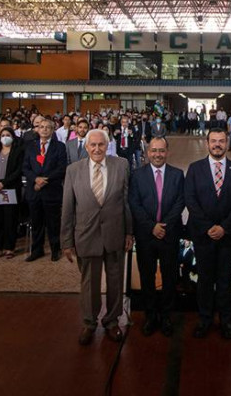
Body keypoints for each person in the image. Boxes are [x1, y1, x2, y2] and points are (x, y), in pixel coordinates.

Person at [61, 129, 133, 345]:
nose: (97, 149)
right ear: (86, 147)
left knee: (115, 281)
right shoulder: (73, 170)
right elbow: (67, 208)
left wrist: (129, 231)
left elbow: (126, 201)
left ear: (107, 145)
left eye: (101, 144)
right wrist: (66, 241)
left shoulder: (121, 165)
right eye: (92, 145)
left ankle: (112, 322)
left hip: (115, 234)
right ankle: (89, 322)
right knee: (89, 284)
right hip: (86, 235)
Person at [184, 128, 231, 340]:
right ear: (207, 143)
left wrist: (224, 227)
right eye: (214, 141)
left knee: (224, 279)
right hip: (203, 235)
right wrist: (207, 227)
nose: (217, 144)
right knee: (204, 279)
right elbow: (190, 199)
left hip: (228, 235)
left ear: (227, 142)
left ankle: (226, 320)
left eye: (221, 141)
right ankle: (204, 319)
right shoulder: (194, 168)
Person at [128, 136, 185, 337]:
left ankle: (167, 316)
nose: (158, 154)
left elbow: (180, 203)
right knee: (147, 277)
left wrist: (164, 226)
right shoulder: (136, 175)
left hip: (169, 234)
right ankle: (150, 316)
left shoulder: (178, 175)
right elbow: (134, 203)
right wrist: (152, 227)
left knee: (170, 277)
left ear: (167, 152)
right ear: (147, 152)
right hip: (146, 236)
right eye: (154, 150)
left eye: (161, 150)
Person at [23, 120, 68, 262]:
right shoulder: (30, 147)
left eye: (48, 127)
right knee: (37, 223)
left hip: (51, 190)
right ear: (37, 129)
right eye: (41, 127)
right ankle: (37, 250)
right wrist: (35, 179)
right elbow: (25, 167)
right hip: (34, 190)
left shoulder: (59, 147)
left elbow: (61, 168)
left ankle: (55, 250)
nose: (44, 130)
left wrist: (44, 180)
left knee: (53, 223)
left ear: (53, 130)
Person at [0, 127, 24, 259]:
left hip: (11, 187)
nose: (5, 137)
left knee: (10, 218)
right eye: (3, 135)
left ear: (13, 137)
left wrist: (4, 183)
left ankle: (9, 247)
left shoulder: (18, 151)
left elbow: (18, 170)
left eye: (8, 135)